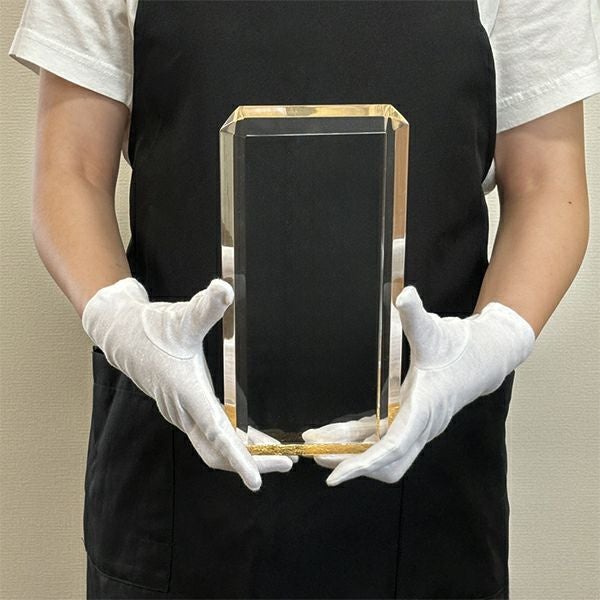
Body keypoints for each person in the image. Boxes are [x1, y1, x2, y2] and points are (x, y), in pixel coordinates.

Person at [8, 0, 600, 598]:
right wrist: (121, 324)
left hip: (428, 490)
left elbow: (546, 184)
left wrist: (492, 343)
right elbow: (71, 171)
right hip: (177, 483)